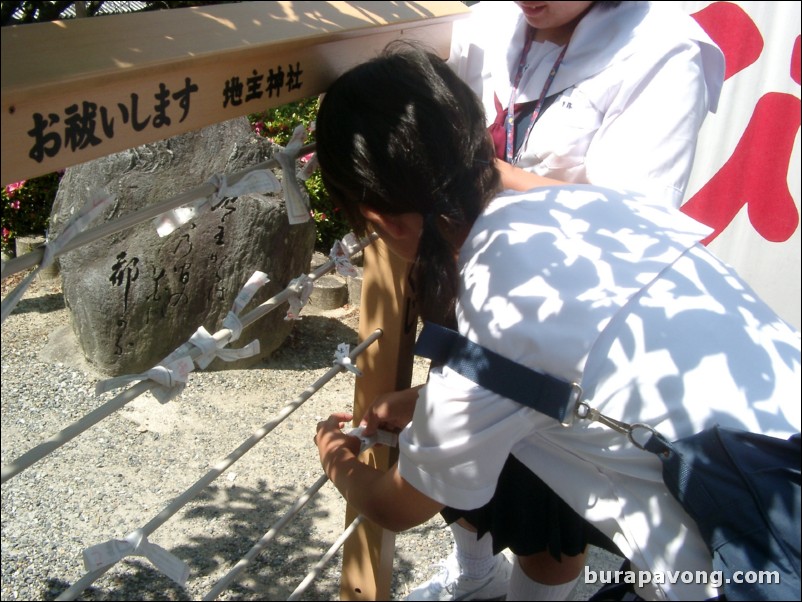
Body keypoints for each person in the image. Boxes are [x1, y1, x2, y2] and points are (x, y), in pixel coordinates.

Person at [312, 44, 800, 601]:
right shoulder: (601, 209)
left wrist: (336, 457)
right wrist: (426, 404)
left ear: (381, 222)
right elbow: (575, 366)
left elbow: (399, 504)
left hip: (748, 566)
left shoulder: (497, 310)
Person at [405, 2, 727, 599]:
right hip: (475, 286)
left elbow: (627, 225)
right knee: (471, 470)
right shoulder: (492, 22)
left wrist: (480, 174)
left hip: (562, 322)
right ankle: (474, 577)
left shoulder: (662, 50)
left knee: (546, 506)